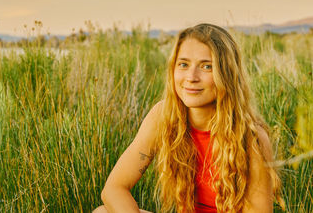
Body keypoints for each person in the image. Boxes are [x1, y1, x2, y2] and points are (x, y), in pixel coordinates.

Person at [93, 23, 281, 213]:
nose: (191, 77)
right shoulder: (163, 116)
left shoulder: (251, 137)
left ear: (226, 74)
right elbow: (113, 189)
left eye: (206, 66)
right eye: (183, 64)